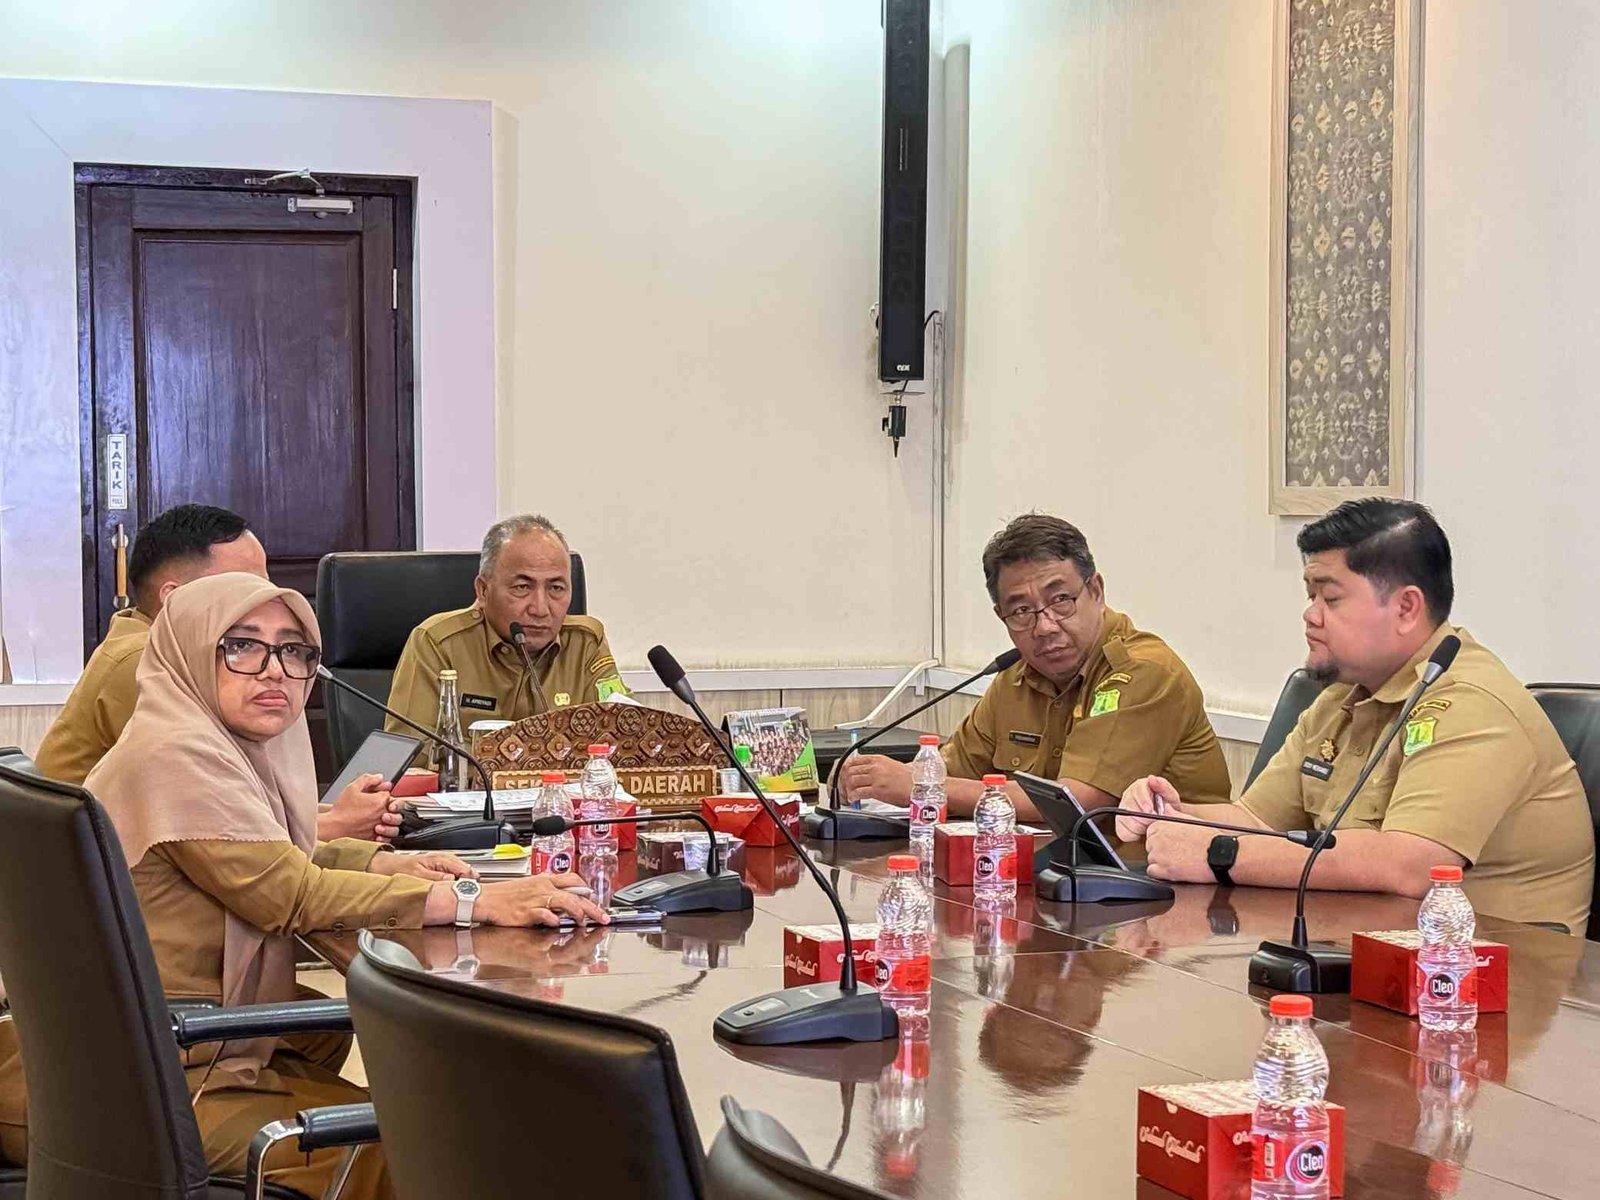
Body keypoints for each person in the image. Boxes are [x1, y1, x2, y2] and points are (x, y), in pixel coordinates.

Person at [0, 573, 609, 1192]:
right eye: (242, 645)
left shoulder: (216, 741)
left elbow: (280, 850)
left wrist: (384, 863)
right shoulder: (174, 755)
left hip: (180, 1048)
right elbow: (289, 894)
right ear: (186, 647)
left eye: (295, 651)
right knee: (429, 1152)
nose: (274, 671)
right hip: (144, 1080)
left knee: (457, 1122)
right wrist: (474, 899)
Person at [1115, 499, 1594, 934]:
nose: (1311, 615)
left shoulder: (1472, 702)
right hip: (1368, 952)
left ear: (1406, 607)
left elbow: (1409, 865)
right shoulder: (1341, 696)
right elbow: (1253, 820)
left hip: (1498, 980)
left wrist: (1218, 854)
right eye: (1309, 596)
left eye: (1331, 598)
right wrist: (1171, 816)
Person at [33, 504, 399, 843]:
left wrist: (330, 814)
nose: (264, 599)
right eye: (242, 586)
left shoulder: (143, 639)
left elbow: (241, 796)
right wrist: (338, 825)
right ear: (174, 598)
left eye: (265, 584)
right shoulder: (146, 665)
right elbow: (216, 818)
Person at [839, 514, 1231, 821]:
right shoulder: (1015, 677)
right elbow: (954, 768)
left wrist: (920, 786)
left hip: (1163, 890)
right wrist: (870, 780)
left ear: (1095, 591)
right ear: (1001, 616)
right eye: (1022, 611)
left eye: (1060, 600)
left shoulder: (1146, 672)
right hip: (1048, 880)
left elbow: (1078, 803)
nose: (1044, 626)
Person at [385, 514, 626, 734]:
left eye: (556, 588)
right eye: (522, 587)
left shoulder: (586, 643)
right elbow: (412, 748)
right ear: (483, 590)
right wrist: (509, 757)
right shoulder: (438, 643)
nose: (540, 609)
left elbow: (620, 733)